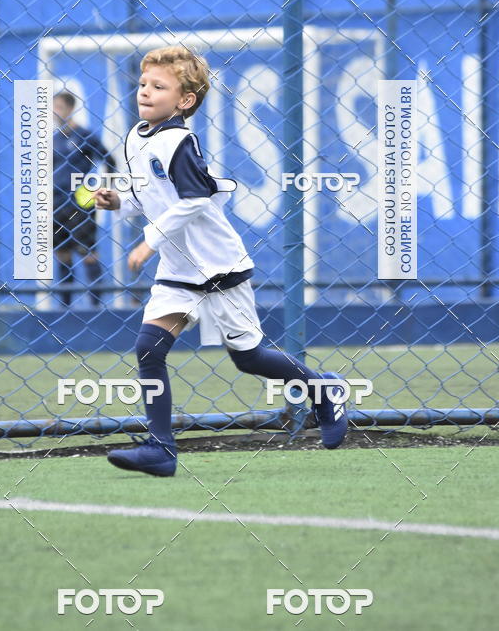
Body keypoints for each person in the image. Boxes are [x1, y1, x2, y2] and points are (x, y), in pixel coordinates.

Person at [95, 45, 348, 477]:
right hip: (177, 275)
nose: (145, 91)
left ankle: (324, 389)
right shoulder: (137, 136)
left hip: (218, 271)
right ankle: (161, 449)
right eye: (142, 84)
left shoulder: (179, 140)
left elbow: (193, 201)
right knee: (148, 348)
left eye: (159, 86)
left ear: (185, 101)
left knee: (248, 358)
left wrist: (150, 241)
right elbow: (153, 195)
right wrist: (119, 202)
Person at [52, 90, 116, 309]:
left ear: (70, 108)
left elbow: (110, 161)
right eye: (53, 107)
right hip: (56, 204)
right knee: (62, 255)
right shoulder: (54, 140)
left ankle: (96, 307)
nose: (55, 112)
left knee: (87, 253)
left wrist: (104, 189)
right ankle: (64, 308)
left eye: (59, 107)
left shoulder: (84, 136)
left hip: (80, 205)